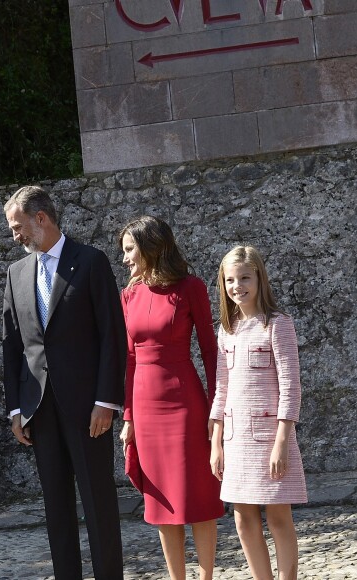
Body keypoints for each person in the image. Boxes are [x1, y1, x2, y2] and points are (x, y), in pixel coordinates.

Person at [2, 185, 126, 580]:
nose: (15, 235)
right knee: (56, 509)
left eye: (18, 226)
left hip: (88, 408)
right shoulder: (16, 273)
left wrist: (106, 401)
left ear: (41, 218)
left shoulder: (90, 261)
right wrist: (16, 409)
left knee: (99, 505)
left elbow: (112, 335)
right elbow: (13, 346)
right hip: (39, 410)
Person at [118, 216, 224, 580]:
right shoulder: (128, 295)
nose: (125, 258)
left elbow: (210, 351)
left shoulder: (190, 287)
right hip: (145, 407)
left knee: (197, 495)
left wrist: (217, 407)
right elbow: (129, 359)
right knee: (161, 499)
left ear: (151, 247)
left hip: (185, 401)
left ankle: (207, 576)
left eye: (129, 249)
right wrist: (129, 416)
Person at [210, 246, 307, 580]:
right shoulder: (226, 329)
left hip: (269, 441)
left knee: (279, 517)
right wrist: (216, 443)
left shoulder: (277, 325)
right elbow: (221, 389)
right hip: (236, 443)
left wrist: (282, 441)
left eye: (245, 278)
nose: (238, 286)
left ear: (259, 278)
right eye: (230, 280)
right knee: (241, 518)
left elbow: (291, 387)